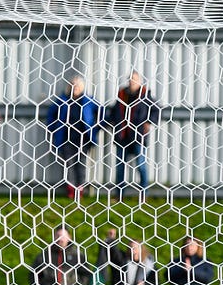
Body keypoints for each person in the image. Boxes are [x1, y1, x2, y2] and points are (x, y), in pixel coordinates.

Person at [45, 75, 101, 201]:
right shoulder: (63, 100)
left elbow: (101, 114)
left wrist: (95, 128)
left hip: (83, 139)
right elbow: (51, 115)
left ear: (82, 87)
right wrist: (54, 127)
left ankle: (80, 189)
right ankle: (70, 189)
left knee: (80, 164)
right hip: (66, 138)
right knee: (68, 164)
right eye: (73, 84)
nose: (75, 87)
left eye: (77, 85)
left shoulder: (89, 100)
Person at [108, 71, 160, 201]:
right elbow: (115, 111)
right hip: (122, 137)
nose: (132, 81)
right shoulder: (122, 94)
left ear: (140, 81)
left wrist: (148, 122)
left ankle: (144, 194)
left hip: (138, 136)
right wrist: (110, 122)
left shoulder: (145, 95)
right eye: (130, 79)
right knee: (120, 167)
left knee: (141, 166)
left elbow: (156, 110)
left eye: (135, 79)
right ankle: (119, 195)